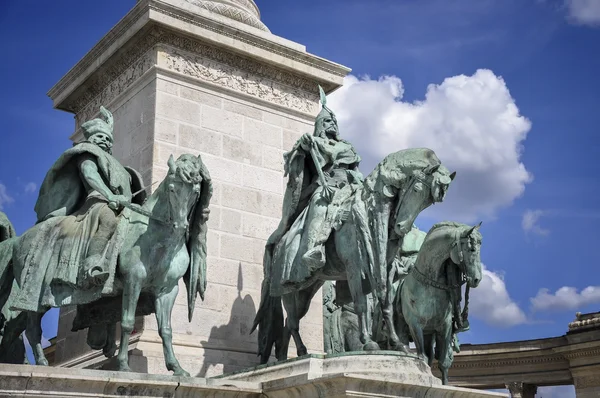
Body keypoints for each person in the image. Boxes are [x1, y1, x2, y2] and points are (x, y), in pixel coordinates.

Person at [265, 87, 363, 292]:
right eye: (327, 122)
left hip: (350, 189)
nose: (332, 125)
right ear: (319, 125)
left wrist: (358, 181)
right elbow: (295, 166)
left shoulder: (348, 147)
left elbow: (355, 170)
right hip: (325, 189)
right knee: (319, 209)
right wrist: (301, 149)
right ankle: (314, 249)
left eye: (334, 122)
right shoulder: (314, 143)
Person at [33, 106, 144, 288]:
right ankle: (92, 265)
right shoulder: (86, 152)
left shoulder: (113, 163)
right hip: (98, 201)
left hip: (121, 204)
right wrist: (109, 196)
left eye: (108, 139)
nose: (105, 141)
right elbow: (89, 174)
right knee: (108, 220)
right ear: (90, 139)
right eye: (100, 137)